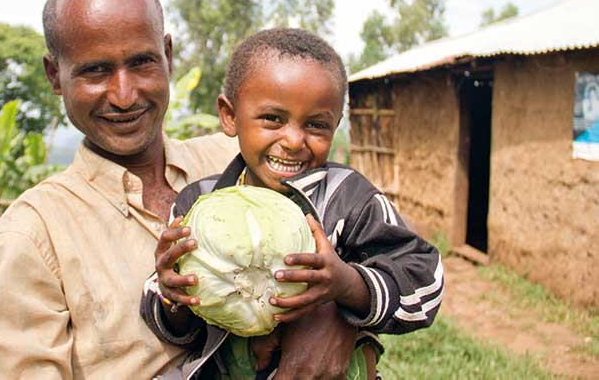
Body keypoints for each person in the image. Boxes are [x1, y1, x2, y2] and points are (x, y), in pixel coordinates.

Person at [0, 0, 365, 379]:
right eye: (94, 70)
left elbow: (367, 239)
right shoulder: (35, 233)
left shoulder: (247, 161)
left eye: (142, 62)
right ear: (54, 75)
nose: (124, 94)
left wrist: (334, 316)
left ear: (167, 56)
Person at [142, 28, 444, 379]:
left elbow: (425, 278)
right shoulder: (198, 204)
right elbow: (172, 322)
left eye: (316, 125)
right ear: (229, 115)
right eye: (273, 119)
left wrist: (348, 284)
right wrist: (170, 294)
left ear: (335, 126)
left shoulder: (347, 198)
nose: (294, 140)